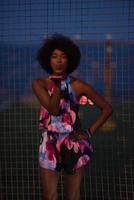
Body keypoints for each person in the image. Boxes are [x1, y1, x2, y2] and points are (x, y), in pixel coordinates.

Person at [32, 34, 112, 200]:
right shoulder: (39, 84)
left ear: (70, 60)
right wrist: (57, 85)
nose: (59, 60)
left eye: (63, 56)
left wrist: (88, 132)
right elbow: (54, 110)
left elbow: (107, 108)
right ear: (48, 60)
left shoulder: (79, 86)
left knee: (72, 196)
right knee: (48, 195)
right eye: (54, 56)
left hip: (74, 143)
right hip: (49, 143)